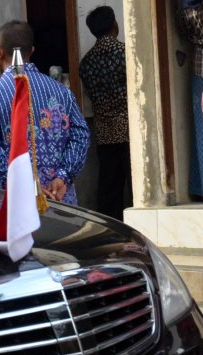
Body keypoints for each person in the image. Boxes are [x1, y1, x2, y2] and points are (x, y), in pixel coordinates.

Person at [0, 21, 90, 204]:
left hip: (15, 203)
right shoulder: (62, 92)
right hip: (60, 201)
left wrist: (24, 186)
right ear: (32, 51)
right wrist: (63, 177)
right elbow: (81, 136)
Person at [79, 6, 131, 220]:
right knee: (135, 185)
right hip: (128, 129)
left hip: (104, 132)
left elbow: (91, 93)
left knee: (109, 186)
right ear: (114, 26)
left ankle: (111, 228)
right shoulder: (124, 52)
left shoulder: (86, 62)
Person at [177, 0, 203, 198]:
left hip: (198, 69)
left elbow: (183, 33)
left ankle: (199, 185)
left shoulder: (186, 9)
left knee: (200, 129)